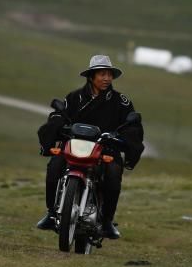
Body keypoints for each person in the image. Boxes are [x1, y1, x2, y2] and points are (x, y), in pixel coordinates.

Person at [36, 54, 144, 239]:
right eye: (102, 74)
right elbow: (59, 115)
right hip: (74, 146)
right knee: (54, 167)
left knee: (112, 175)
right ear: (91, 76)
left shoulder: (121, 101)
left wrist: (121, 138)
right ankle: (52, 213)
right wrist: (59, 126)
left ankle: (107, 221)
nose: (107, 78)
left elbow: (132, 124)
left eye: (109, 74)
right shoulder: (74, 97)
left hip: (105, 148)